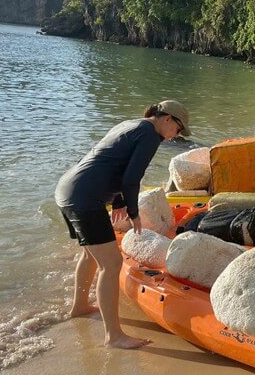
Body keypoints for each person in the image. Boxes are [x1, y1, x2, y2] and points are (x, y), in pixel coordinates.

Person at [54, 100, 191, 349]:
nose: (176, 136)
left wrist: (117, 201)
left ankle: (80, 306)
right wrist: (133, 212)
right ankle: (114, 336)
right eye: (178, 130)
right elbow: (131, 178)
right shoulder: (150, 136)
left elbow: (113, 162)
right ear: (167, 119)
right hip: (85, 198)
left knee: (90, 254)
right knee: (112, 263)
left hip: (68, 190)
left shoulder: (132, 125)